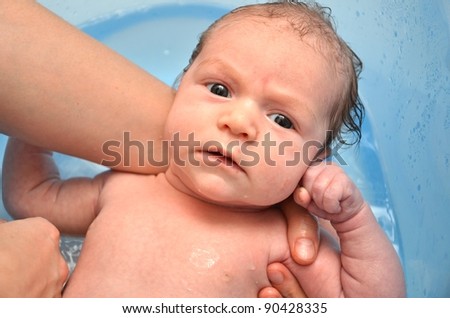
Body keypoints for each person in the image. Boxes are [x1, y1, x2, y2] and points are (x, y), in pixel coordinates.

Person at [3, 1, 405, 297]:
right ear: (180, 85)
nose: (240, 123)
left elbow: (375, 304)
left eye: (282, 120)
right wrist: (34, 129)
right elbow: (32, 198)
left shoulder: (286, 241)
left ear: (315, 160)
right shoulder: (124, 187)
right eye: (219, 89)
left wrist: (353, 222)